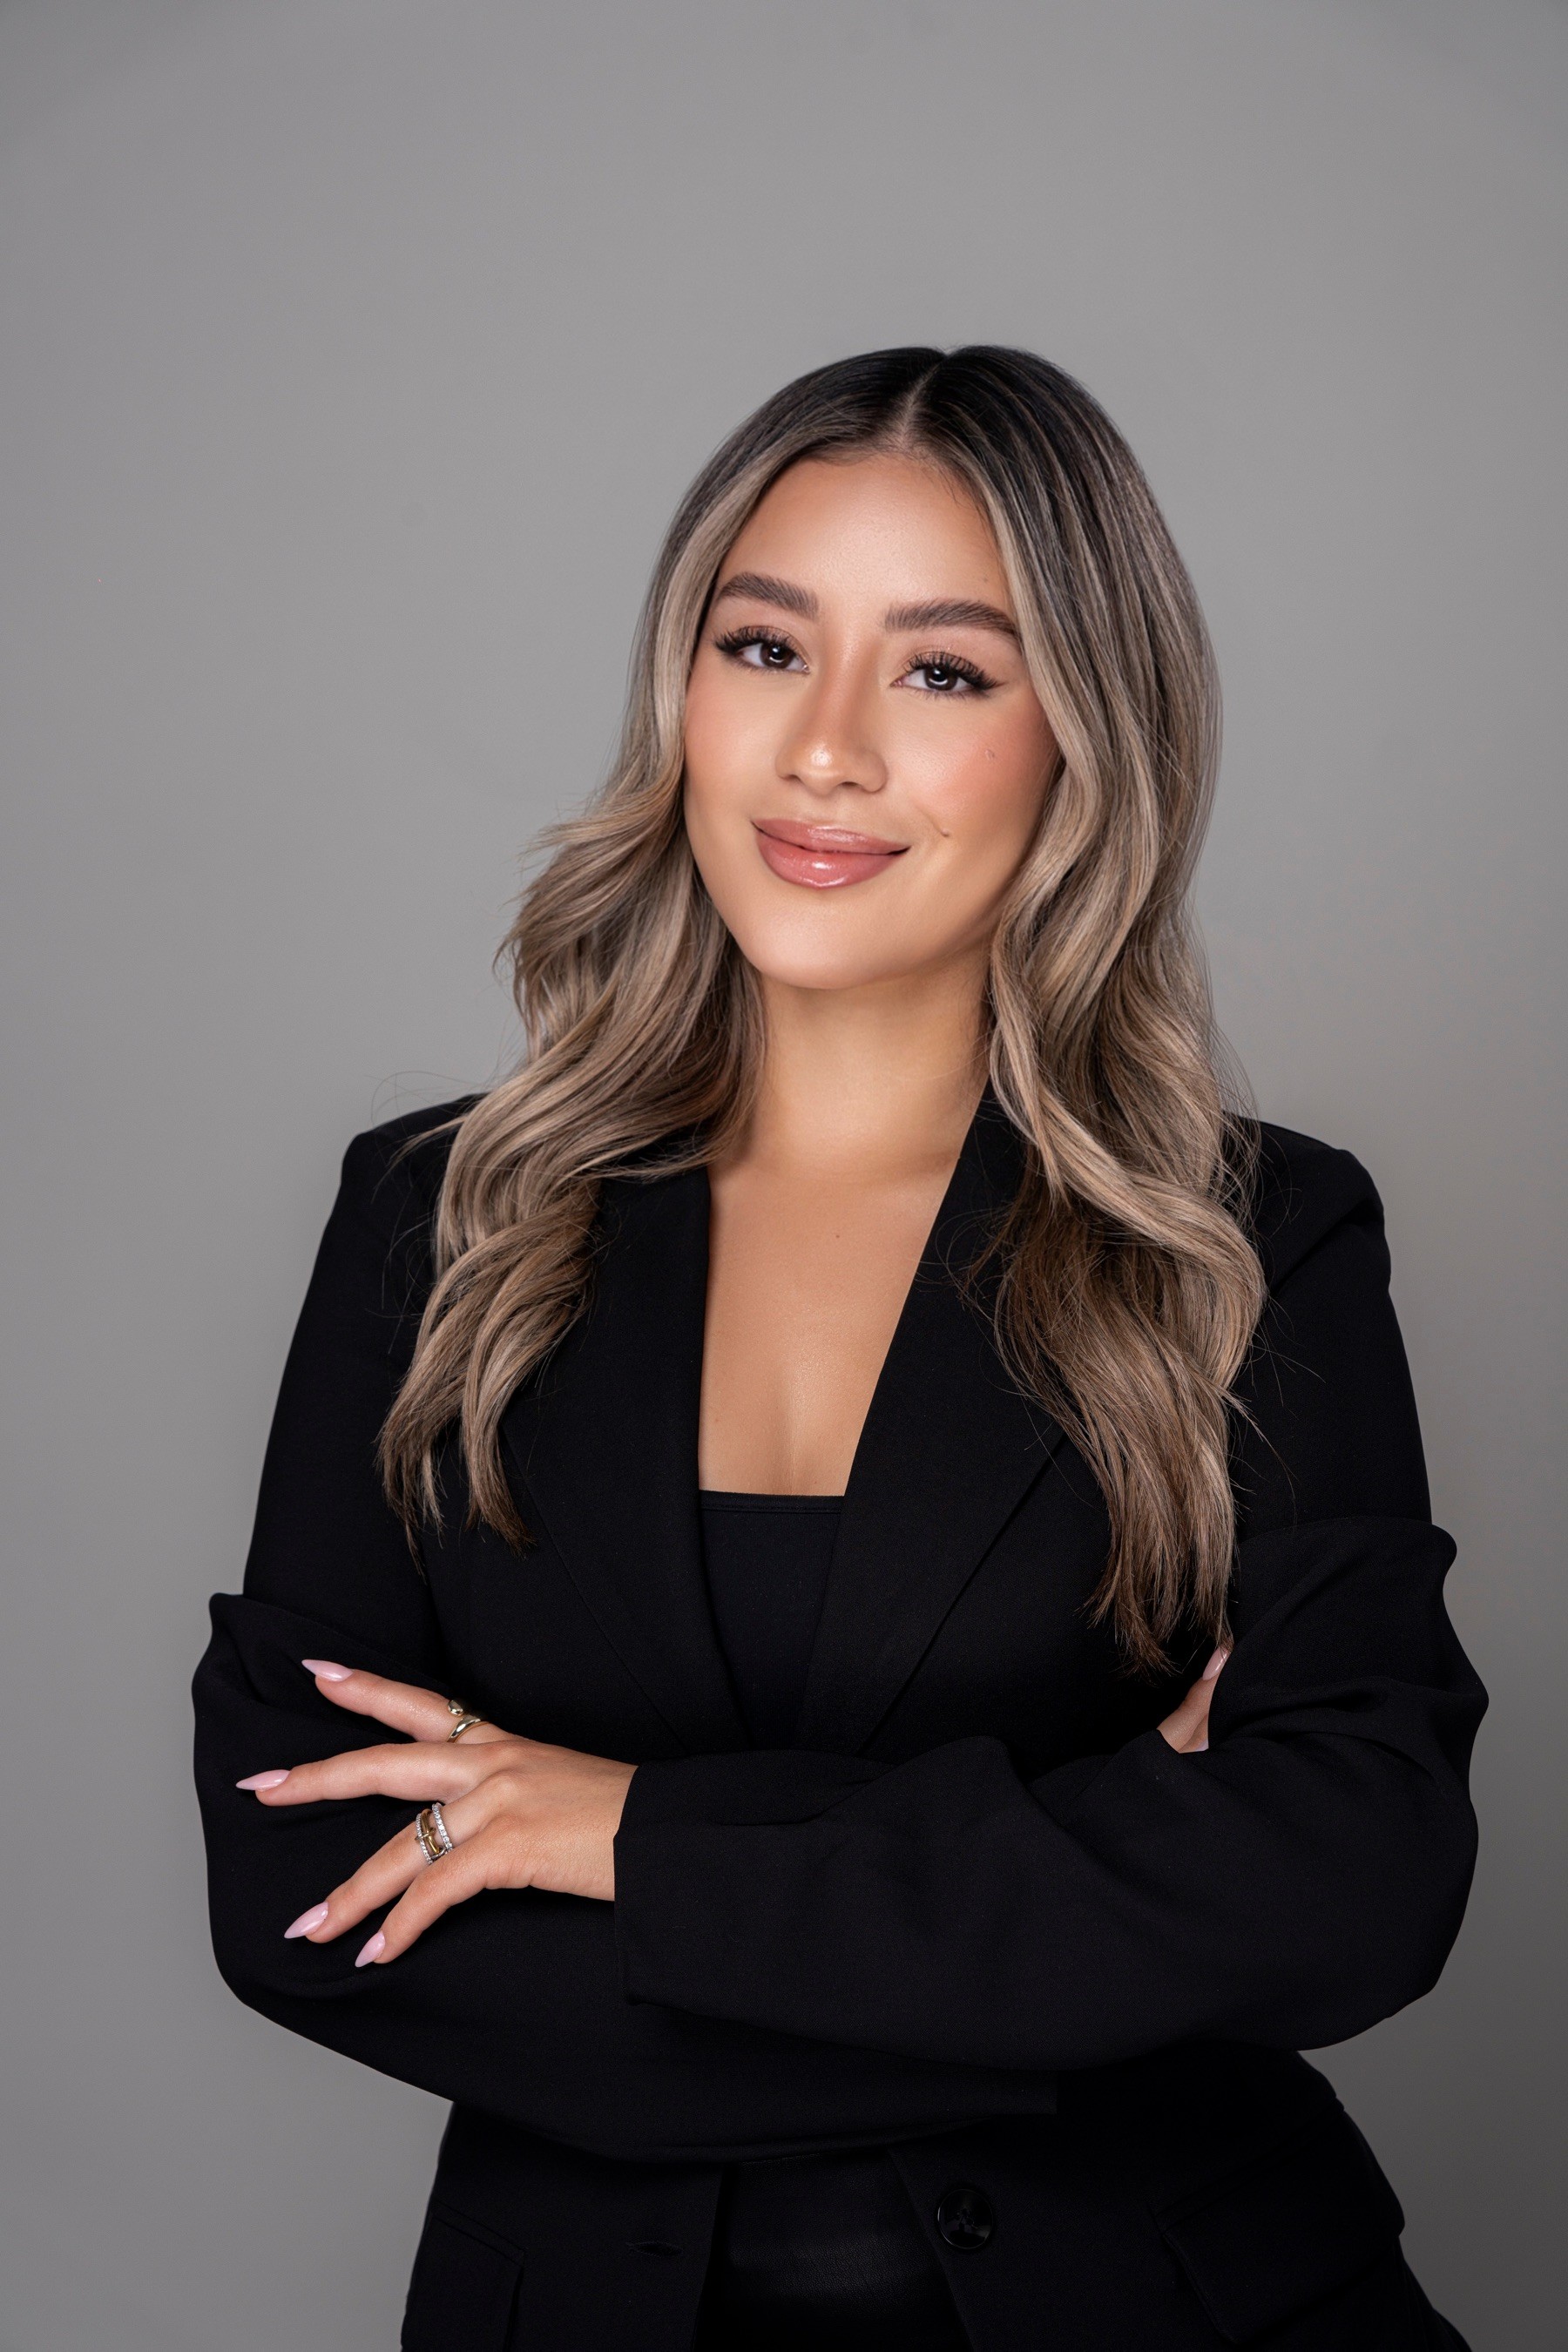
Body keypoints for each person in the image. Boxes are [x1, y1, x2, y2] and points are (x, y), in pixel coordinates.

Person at [192, 345, 1484, 2352]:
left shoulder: (1248, 1242)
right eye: (767, 647)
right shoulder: (436, 1220)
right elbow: (311, 1893)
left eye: (945, 672)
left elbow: (1352, 1879)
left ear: (1087, 740)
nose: (825, 749)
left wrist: (631, 1837)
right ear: (683, 690)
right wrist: (1079, 1951)